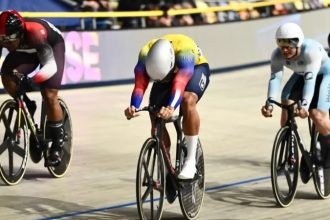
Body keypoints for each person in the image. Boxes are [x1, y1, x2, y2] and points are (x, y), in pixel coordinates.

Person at [124, 34, 210, 201]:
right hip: (167, 74)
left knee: (187, 100)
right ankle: (167, 168)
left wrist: (171, 107)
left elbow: (179, 84)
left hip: (195, 69)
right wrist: (133, 106)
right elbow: (140, 87)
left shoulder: (185, 51)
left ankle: (190, 160)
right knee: (154, 112)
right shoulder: (144, 57)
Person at [261, 22, 330, 189]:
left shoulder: (310, 51)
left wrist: (305, 105)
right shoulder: (277, 55)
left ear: (298, 43)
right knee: (286, 102)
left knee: (317, 114)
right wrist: (269, 103)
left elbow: (310, 82)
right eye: (281, 44)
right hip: (301, 75)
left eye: (289, 45)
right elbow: (275, 79)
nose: (285, 50)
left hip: (324, 75)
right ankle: (289, 144)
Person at [0, 10, 65, 167]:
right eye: (3, 42)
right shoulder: (5, 37)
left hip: (51, 45)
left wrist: (32, 81)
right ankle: (27, 104)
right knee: (6, 74)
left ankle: (57, 146)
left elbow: (50, 66)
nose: (7, 45)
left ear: (20, 33)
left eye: (10, 41)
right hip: (26, 52)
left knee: (49, 94)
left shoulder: (35, 32)